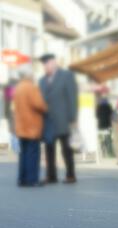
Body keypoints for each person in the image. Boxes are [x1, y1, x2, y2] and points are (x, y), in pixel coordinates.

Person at [39, 54, 78, 184]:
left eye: (47, 63)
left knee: (66, 148)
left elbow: (72, 98)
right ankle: (51, 176)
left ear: (54, 62)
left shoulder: (66, 76)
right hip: (48, 121)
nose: (45, 66)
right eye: (44, 64)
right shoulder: (42, 80)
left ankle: (70, 174)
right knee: (49, 149)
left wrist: (73, 118)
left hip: (63, 119)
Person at [13, 65, 47, 187]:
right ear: (28, 75)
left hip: (21, 126)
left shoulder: (18, 88)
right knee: (33, 154)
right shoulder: (31, 87)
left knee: (24, 154)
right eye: (32, 74)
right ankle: (32, 179)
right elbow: (40, 104)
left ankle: (22, 179)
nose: (33, 76)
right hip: (32, 125)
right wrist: (46, 107)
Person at [96, 90, 114, 158]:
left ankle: (102, 152)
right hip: (108, 125)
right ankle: (109, 153)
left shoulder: (98, 106)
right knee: (108, 139)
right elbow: (111, 114)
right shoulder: (108, 106)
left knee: (101, 139)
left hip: (100, 125)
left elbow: (96, 115)